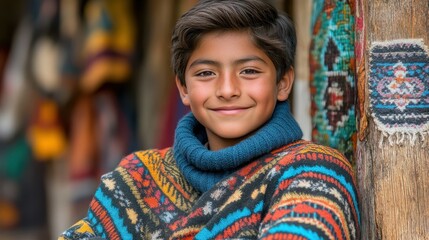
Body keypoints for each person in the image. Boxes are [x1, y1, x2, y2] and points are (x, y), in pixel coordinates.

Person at [60, 0, 360, 239]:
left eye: (249, 71)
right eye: (206, 73)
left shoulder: (315, 173)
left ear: (283, 82)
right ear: (183, 88)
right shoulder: (138, 178)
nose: (227, 90)